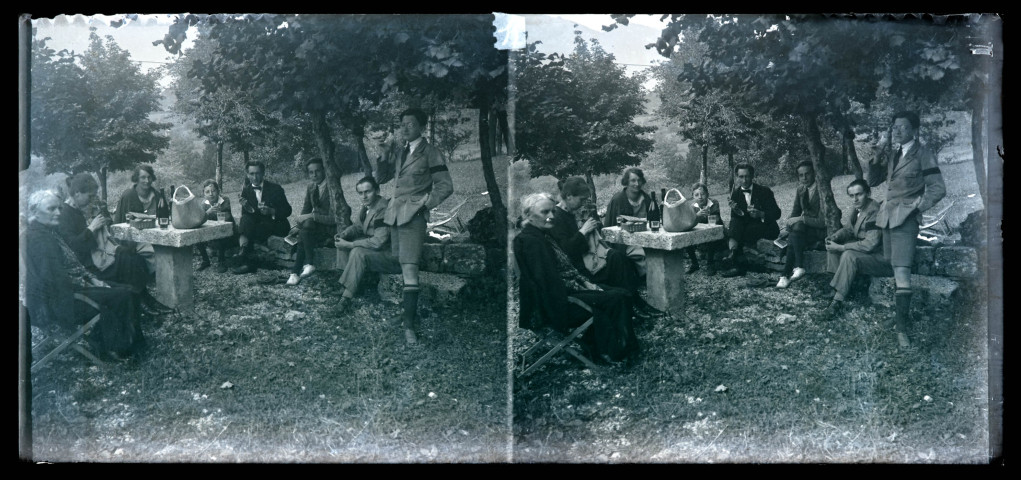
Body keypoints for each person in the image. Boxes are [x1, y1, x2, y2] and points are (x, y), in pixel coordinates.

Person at [514, 193, 639, 364]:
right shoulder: (532, 242)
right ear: (528, 215)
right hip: (553, 307)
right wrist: (584, 286)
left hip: (561, 295)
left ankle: (598, 346)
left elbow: (562, 271)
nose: (551, 217)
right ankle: (614, 351)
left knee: (620, 293)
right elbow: (548, 284)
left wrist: (586, 283)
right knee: (617, 298)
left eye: (552, 212)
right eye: (545, 212)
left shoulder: (539, 234)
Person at [22, 190, 146, 360]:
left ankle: (108, 342)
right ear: (35, 212)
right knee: (122, 295)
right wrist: (91, 284)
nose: (58, 213)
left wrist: (93, 281)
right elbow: (54, 281)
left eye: (59, 208)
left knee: (125, 289)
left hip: (62, 295)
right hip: (58, 304)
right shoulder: (40, 240)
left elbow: (66, 271)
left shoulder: (45, 232)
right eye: (51, 209)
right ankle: (122, 350)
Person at [867, 111, 946, 348]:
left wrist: (915, 208)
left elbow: (937, 188)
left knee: (902, 272)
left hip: (905, 220)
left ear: (914, 130)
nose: (897, 131)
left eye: (902, 127)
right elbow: (871, 181)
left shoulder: (923, 155)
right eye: (894, 127)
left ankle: (902, 330)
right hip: (887, 219)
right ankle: (899, 316)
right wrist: (878, 152)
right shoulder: (893, 155)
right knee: (891, 264)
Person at [382, 108, 454, 344]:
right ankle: (408, 316)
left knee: (410, 268)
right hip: (394, 215)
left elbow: (445, 186)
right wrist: (383, 152)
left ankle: (410, 327)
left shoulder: (430, 152)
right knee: (400, 264)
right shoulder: (401, 151)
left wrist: (425, 205)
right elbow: (381, 177)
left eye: (410, 124)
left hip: (412, 217)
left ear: (421, 126)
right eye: (402, 124)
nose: (404, 128)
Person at [58, 172, 168, 315]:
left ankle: (145, 299)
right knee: (129, 261)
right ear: (77, 193)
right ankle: (141, 301)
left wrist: (98, 226)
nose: (91, 200)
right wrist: (92, 228)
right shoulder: (65, 215)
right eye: (89, 196)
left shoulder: (78, 210)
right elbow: (73, 247)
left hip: (98, 253)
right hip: (88, 263)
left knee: (132, 255)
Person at [550, 177, 656, 317]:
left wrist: (589, 229)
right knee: (617, 263)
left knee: (618, 257)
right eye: (581, 200)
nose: (582, 204)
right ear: (569, 196)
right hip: (579, 269)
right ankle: (633, 305)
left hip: (587, 258)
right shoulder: (557, 217)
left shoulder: (570, 213)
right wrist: (583, 231)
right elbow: (567, 251)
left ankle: (636, 303)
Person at [817, 179, 893, 320]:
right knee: (832, 247)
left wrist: (842, 247)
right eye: (851, 196)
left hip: (881, 258)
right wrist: (835, 237)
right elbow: (849, 229)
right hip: (868, 254)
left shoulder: (874, 210)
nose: (855, 199)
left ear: (868, 193)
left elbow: (871, 243)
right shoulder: (858, 208)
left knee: (849, 255)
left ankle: (837, 303)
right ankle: (835, 288)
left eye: (859, 194)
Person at [334, 176, 395, 313]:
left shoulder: (383, 208)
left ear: (377, 190)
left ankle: (346, 298)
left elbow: (378, 241)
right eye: (360, 193)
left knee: (357, 251)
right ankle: (348, 286)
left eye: (368, 191)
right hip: (376, 249)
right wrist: (344, 235)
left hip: (388, 252)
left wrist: (351, 244)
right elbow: (358, 227)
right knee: (341, 244)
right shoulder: (367, 207)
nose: (364, 196)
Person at [721, 163, 781, 277]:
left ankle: (735, 261)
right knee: (734, 223)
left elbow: (777, 213)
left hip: (766, 226)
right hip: (747, 226)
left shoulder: (764, 191)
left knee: (738, 233)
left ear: (752, 176)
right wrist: (736, 210)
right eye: (741, 177)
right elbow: (736, 218)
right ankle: (736, 257)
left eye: (747, 176)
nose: (744, 180)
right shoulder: (735, 194)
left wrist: (761, 214)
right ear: (737, 177)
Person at [233, 160, 293, 274]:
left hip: (276, 224)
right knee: (245, 221)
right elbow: (246, 215)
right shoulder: (246, 191)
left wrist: (272, 211)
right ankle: (243, 251)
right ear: (247, 175)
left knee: (249, 232)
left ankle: (246, 261)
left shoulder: (275, 188)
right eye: (251, 174)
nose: (255, 177)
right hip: (259, 225)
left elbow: (288, 210)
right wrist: (247, 207)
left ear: (263, 173)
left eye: (258, 173)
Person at [286, 158, 337, 286]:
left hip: (331, 228)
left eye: (317, 171)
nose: (314, 175)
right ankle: (297, 272)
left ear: (324, 170)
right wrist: (299, 225)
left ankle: (300, 268)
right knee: (304, 230)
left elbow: (334, 219)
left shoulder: (332, 187)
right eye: (311, 172)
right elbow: (306, 209)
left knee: (307, 226)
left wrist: (311, 217)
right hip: (313, 228)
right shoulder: (311, 186)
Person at [776, 161, 827, 288]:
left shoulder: (822, 190)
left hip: (820, 230)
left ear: (814, 173)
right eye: (801, 175)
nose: (804, 178)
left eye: (807, 174)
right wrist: (787, 229)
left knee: (797, 228)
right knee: (794, 234)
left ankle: (788, 272)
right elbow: (795, 212)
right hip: (803, 231)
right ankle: (788, 274)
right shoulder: (801, 189)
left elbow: (823, 221)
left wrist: (801, 219)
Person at [196, 179, 236, 273]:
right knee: (197, 235)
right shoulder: (203, 204)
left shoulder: (225, 200)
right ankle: (205, 260)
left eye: (213, 191)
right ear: (204, 194)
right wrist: (207, 213)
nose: (211, 194)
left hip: (228, 233)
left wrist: (217, 213)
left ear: (218, 191)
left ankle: (221, 261)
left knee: (220, 233)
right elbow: (199, 220)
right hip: (211, 233)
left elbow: (228, 217)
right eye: (207, 192)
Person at [685, 183, 725, 275]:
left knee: (711, 233)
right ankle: (694, 263)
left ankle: (710, 264)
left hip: (716, 233)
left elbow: (716, 220)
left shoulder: (714, 202)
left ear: (707, 194)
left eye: (702, 194)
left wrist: (706, 216)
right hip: (700, 233)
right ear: (693, 196)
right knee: (686, 236)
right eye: (696, 195)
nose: (700, 197)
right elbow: (688, 223)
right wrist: (696, 216)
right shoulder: (692, 207)